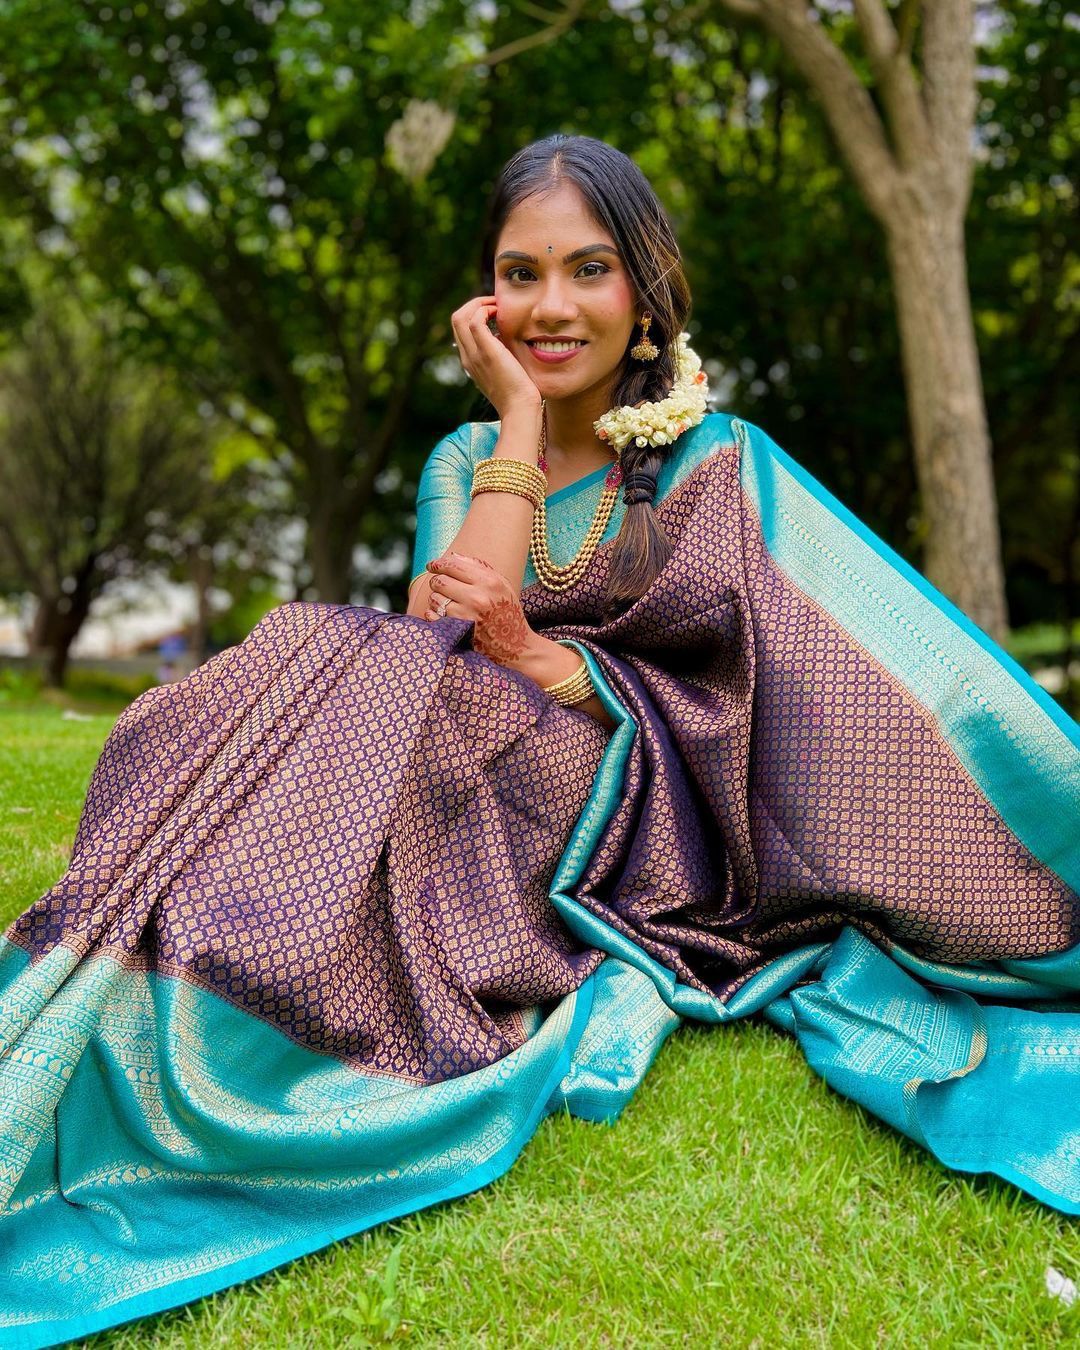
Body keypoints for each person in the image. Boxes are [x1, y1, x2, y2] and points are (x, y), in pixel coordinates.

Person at [1, 132, 1077, 1348]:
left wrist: (542, 660)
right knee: (318, 652)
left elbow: (749, 694)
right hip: (455, 763)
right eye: (520, 273)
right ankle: (178, 967)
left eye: (589, 270)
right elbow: (429, 646)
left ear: (646, 291)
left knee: (353, 661)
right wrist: (516, 420)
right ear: (485, 293)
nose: (550, 306)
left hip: (638, 808)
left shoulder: (707, 461)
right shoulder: (464, 454)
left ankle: (237, 989)